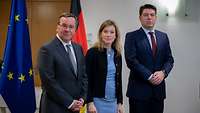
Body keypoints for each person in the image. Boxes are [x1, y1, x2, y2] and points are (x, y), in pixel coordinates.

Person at [124, 4, 174, 113]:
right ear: (140, 17)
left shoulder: (163, 37)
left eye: (152, 15)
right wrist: (149, 76)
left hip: (158, 93)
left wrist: (163, 73)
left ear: (155, 17)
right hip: (138, 92)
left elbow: (169, 59)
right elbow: (131, 60)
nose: (149, 17)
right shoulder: (131, 36)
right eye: (145, 15)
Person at [38, 13, 88, 113]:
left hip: (76, 107)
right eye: (64, 25)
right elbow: (48, 81)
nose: (67, 29)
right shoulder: (47, 49)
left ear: (75, 30)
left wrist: (83, 98)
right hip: (54, 107)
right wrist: (70, 102)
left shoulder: (78, 48)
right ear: (58, 27)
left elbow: (83, 76)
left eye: (71, 27)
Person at [86, 20, 123, 113]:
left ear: (115, 36)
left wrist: (120, 103)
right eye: (105, 31)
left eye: (112, 32)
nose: (108, 35)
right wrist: (90, 102)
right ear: (100, 34)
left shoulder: (117, 54)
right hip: (97, 101)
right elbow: (86, 79)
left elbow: (119, 79)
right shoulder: (92, 52)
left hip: (113, 102)